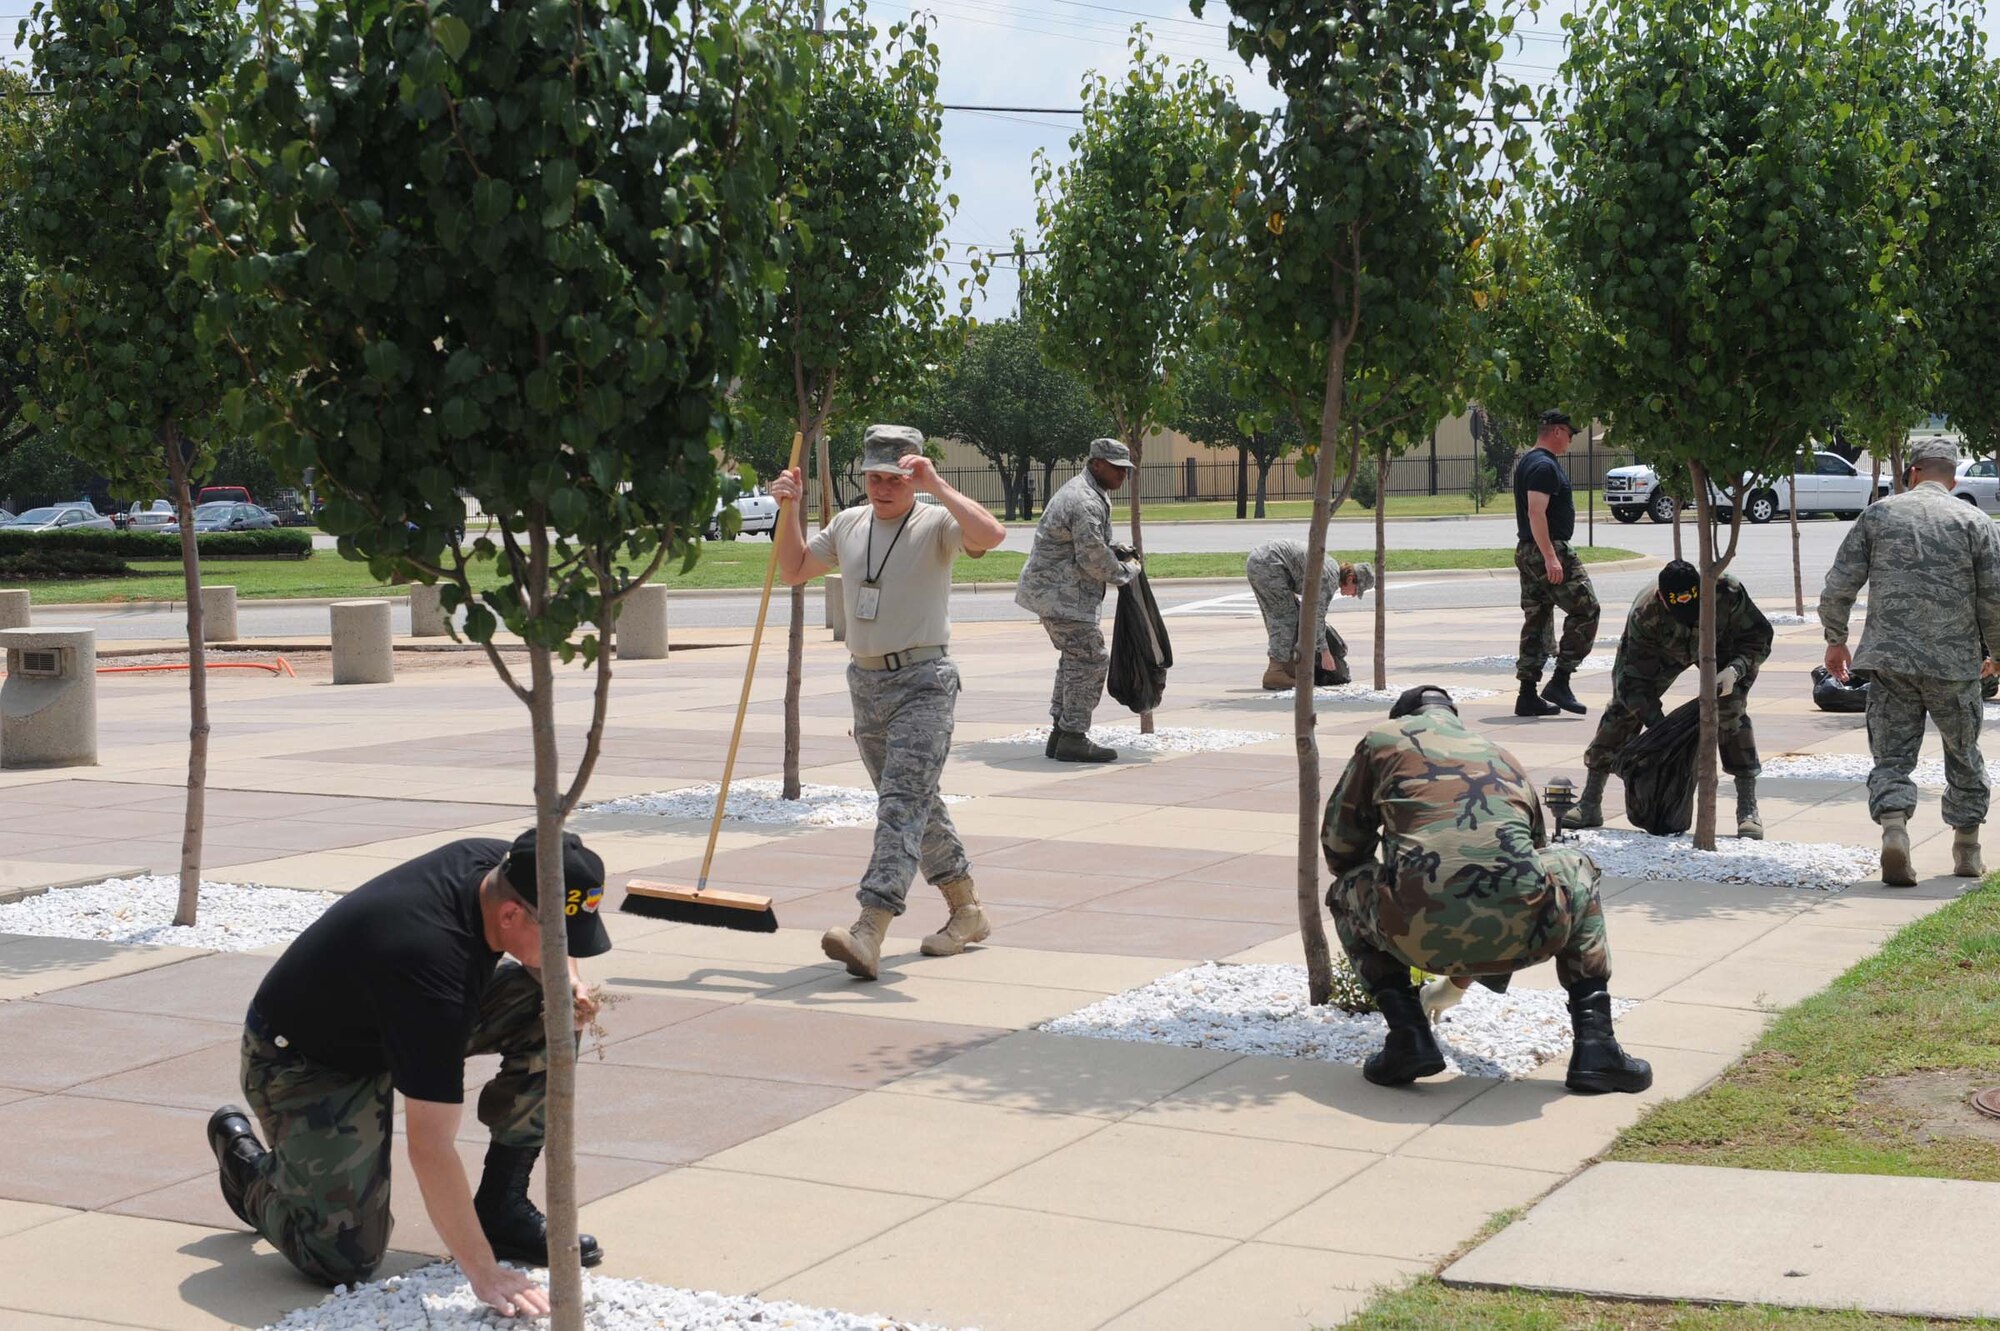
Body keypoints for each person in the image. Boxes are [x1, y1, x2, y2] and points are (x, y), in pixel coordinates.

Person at [205, 829, 614, 1317]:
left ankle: (502, 1207)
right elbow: (430, 1146)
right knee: (342, 1259)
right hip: (304, 1061)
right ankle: (248, 1170)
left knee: (553, 1003)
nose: (571, 951)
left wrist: (564, 976)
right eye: (562, 940)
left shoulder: (501, 865)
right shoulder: (432, 971)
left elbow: (549, 923)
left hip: (387, 1020)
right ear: (509, 915)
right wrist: (484, 1272)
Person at [1322, 686, 1651, 1094]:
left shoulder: (1381, 742)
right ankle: (1596, 1045)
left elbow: (1341, 847)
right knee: (1573, 869)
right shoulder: (1499, 754)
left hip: (1413, 936)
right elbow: (1524, 870)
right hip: (1528, 935)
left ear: (1400, 718)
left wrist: (1395, 867)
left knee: (1346, 888)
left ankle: (1408, 1034)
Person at [774, 423, 1009, 978]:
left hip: (924, 682)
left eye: (895, 478)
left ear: (914, 476)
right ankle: (966, 911)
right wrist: (789, 509)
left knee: (899, 806)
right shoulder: (849, 523)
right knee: (916, 804)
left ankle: (870, 927)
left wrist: (938, 486)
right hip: (867, 683)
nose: (882, 488)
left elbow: (992, 535)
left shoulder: (935, 523)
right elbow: (793, 570)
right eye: (874, 477)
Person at [1820, 438, 2000, 885]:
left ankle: (1895, 828)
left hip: (1890, 662)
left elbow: (1839, 584)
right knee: (1963, 753)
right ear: (1952, 478)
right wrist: (1997, 654)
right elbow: (1993, 600)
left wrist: (1836, 640)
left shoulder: (1879, 515)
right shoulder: (1975, 521)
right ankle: (1967, 848)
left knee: (1892, 756)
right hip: (1954, 664)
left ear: (1913, 472)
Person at [1576, 560, 1774, 837]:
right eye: (1678, 610)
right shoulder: (1646, 614)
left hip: (1723, 652)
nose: (1688, 616)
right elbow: (1632, 682)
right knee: (1623, 711)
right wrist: (1663, 732)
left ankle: (1748, 809)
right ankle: (1590, 801)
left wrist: (1736, 669)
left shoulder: (1727, 592)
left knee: (1731, 712)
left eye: (1693, 608)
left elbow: (1759, 637)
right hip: (1664, 651)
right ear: (1662, 600)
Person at [1015, 438, 1140, 763]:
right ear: (1096, 463)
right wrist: (1125, 571)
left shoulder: (1087, 492)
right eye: (1117, 469)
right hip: (1061, 595)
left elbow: (1091, 545)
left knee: (1074, 659)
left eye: (1125, 471)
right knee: (1090, 660)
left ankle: (1061, 732)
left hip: (1059, 593)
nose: (1122, 477)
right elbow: (1091, 555)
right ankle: (1072, 735)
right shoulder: (1084, 499)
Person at [1513, 409, 1600, 718]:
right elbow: (1537, 512)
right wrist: (1551, 555)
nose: (1571, 440)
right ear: (1558, 431)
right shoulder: (1543, 466)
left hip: (1529, 549)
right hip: (1546, 550)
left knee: (1537, 619)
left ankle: (1527, 695)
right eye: (1571, 433)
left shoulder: (1529, 460)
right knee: (1587, 609)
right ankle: (1560, 680)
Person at [1244, 539, 1375, 690]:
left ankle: (1285, 668)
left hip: (1264, 561)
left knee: (1286, 613)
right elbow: (1316, 618)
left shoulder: (1330, 568)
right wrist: (1325, 652)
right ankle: (1275, 672)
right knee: (1285, 618)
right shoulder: (1328, 580)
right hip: (1268, 564)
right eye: (1356, 590)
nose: (1353, 595)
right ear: (1351, 579)